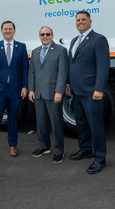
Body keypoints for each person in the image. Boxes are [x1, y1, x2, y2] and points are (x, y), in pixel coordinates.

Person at [65, 11, 110, 174]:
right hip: (76, 91)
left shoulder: (98, 39)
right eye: (78, 20)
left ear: (90, 21)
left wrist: (99, 89)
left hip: (91, 91)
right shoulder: (74, 40)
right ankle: (85, 150)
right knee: (81, 123)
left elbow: (103, 66)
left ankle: (100, 158)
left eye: (83, 19)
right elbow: (72, 64)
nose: (80, 22)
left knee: (95, 125)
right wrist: (69, 83)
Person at [0, 20, 28, 165]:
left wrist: (25, 86)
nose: (8, 31)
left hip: (15, 89)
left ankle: (13, 145)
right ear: (1, 31)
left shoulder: (21, 47)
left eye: (10, 29)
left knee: (13, 118)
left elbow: (24, 68)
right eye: (5, 29)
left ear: (14, 31)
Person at [28, 26, 68, 164]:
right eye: (42, 34)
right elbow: (32, 72)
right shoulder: (34, 52)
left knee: (56, 123)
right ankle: (43, 146)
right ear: (39, 36)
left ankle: (58, 151)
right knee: (40, 122)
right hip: (38, 93)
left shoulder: (61, 50)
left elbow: (62, 73)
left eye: (47, 34)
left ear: (52, 35)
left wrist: (59, 91)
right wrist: (31, 90)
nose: (45, 36)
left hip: (53, 93)